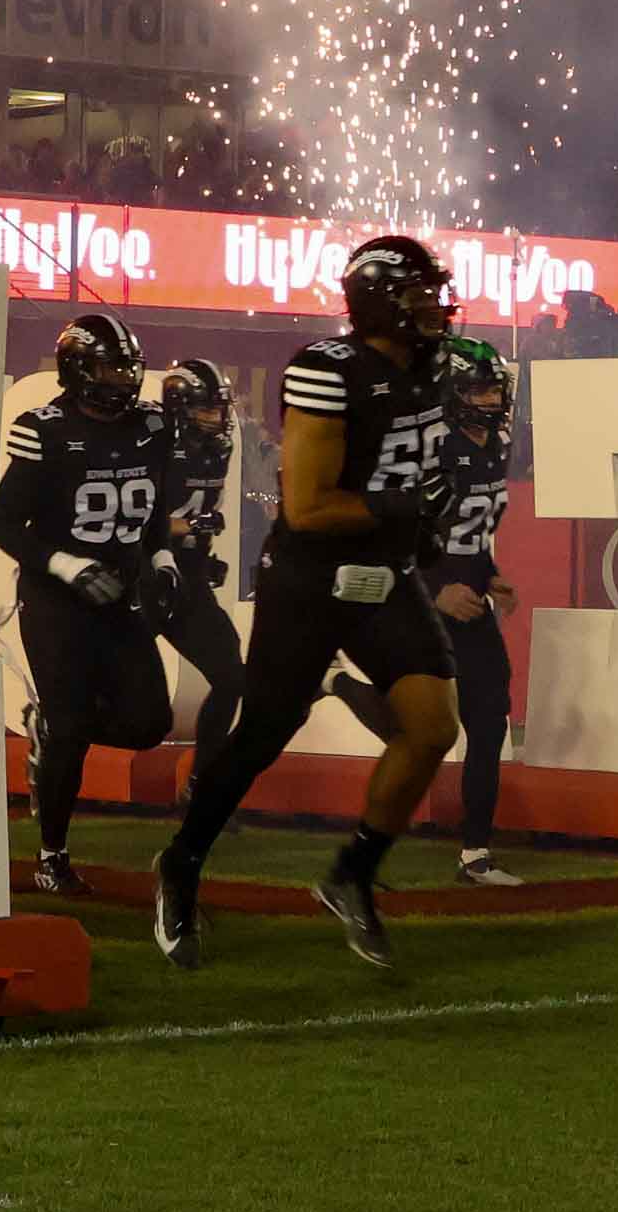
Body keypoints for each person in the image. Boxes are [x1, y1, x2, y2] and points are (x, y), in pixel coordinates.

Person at [154, 235, 462, 970]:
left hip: (383, 576)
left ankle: (351, 874)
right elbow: (310, 507)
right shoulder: (326, 370)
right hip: (312, 581)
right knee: (262, 733)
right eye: (418, 293)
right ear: (381, 301)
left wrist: (428, 513)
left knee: (431, 727)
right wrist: (402, 504)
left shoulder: (434, 366)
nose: (433, 306)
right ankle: (181, 863)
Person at [0, 312, 183, 897]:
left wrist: (164, 561)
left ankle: (54, 729)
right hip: (57, 601)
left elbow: (150, 513)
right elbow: (1, 523)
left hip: (119, 597)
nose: (122, 378)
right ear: (76, 370)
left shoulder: (151, 426)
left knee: (150, 724)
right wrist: (68, 565)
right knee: (72, 726)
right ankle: (52, 855)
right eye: (107, 366)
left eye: (126, 366)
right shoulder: (42, 428)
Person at [326, 336, 524, 885]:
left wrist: (490, 577)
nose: (489, 401)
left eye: (493, 389)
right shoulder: (423, 446)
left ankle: (475, 854)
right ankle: (339, 684)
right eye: (478, 390)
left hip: (467, 597)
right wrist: (436, 591)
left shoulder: (493, 441)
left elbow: (473, 532)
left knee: (488, 722)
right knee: (413, 730)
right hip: (413, 593)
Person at [159, 359, 247, 800]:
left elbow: (200, 514)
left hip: (186, 581)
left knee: (232, 676)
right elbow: (139, 518)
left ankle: (202, 783)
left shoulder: (220, 449)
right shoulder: (153, 443)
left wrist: (201, 554)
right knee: (135, 708)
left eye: (219, 409)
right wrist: (187, 531)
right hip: (142, 577)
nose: (216, 418)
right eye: (205, 410)